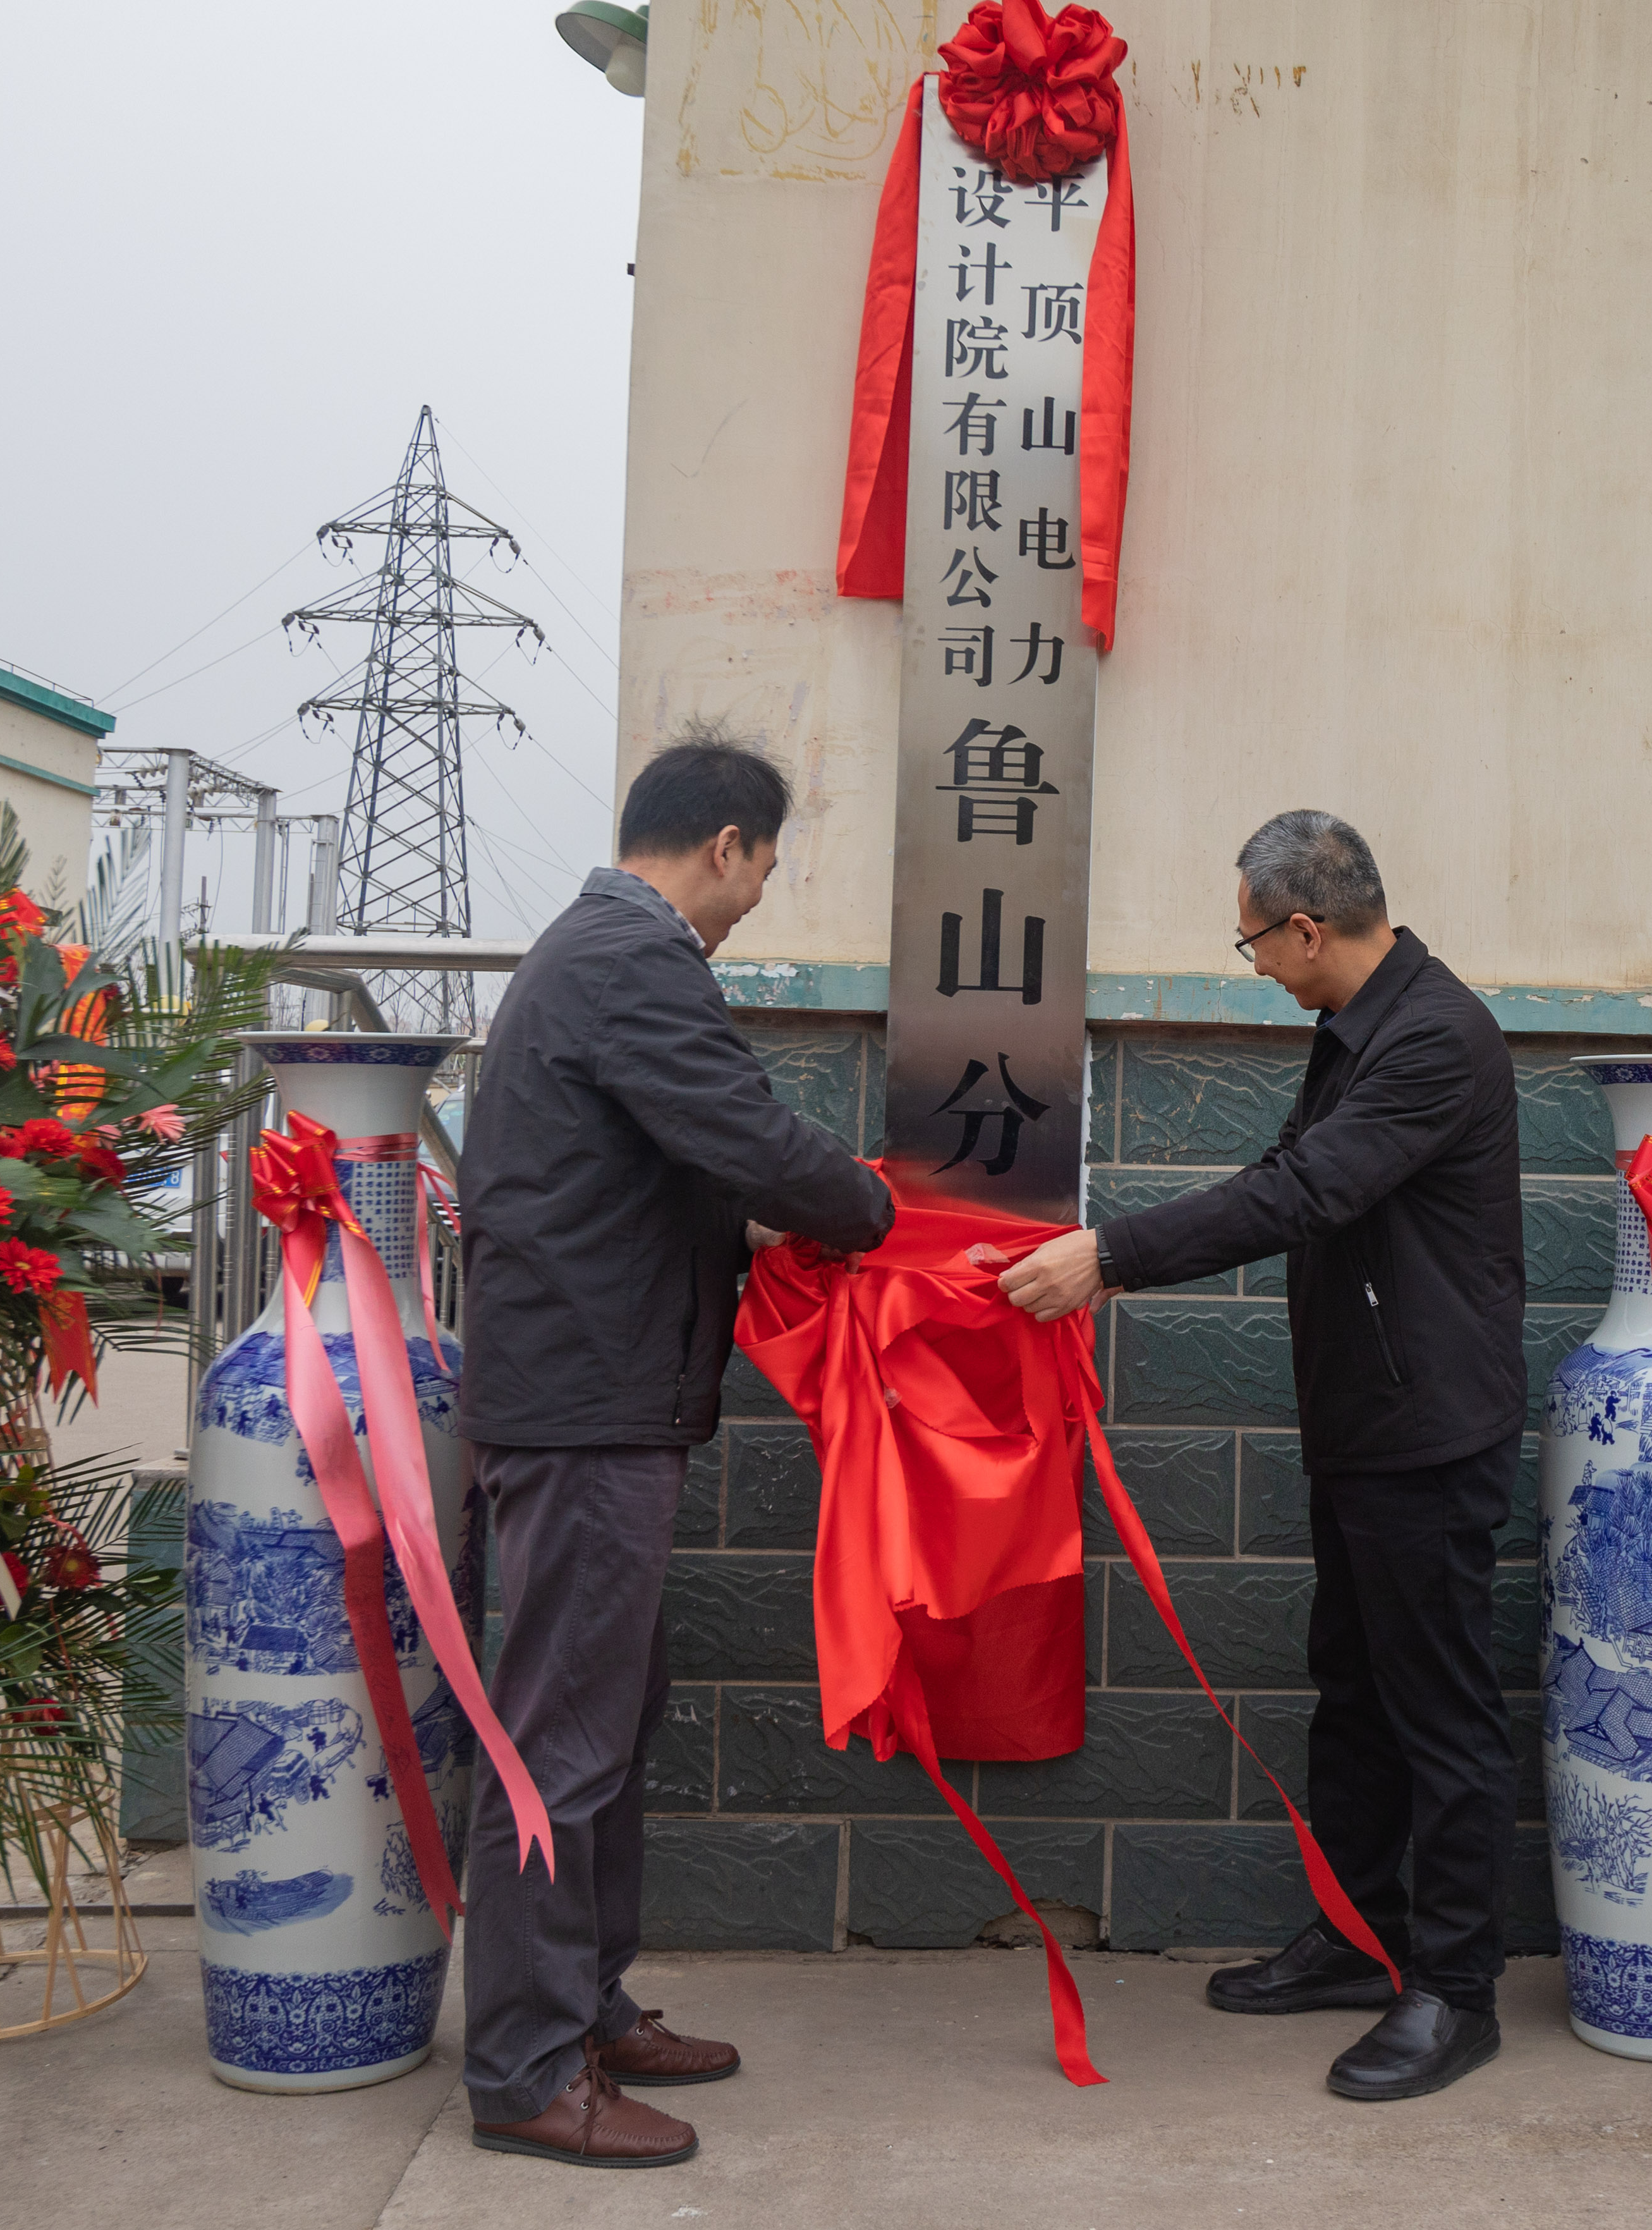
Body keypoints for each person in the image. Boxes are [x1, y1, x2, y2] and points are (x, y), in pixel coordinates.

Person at [990, 809, 1524, 2102]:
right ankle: (1361, 1936)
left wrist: (1110, 1256)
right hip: (1365, 1424)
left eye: (1254, 948)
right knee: (1353, 1688)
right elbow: (1294, 1175)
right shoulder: (1361, 1028)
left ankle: (1455, 1990)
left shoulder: (1434, 1036)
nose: (1262, 971)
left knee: (1439, 1710)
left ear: (1304, 925)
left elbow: (1303, 1193)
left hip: (1428, 1434)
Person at [455, 730, 895, 2168]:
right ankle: (526, 2066)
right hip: (585, 1411)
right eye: (765, 866)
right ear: (726, 845)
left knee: (607, 1723)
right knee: (560, 1744)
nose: (758, 894)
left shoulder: (591, 956)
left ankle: (586, 2004)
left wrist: (758, 1227)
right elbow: (746, 1135)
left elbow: (655, 1172)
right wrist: (866, 1209)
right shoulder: (631, 961)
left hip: (593, 1396)